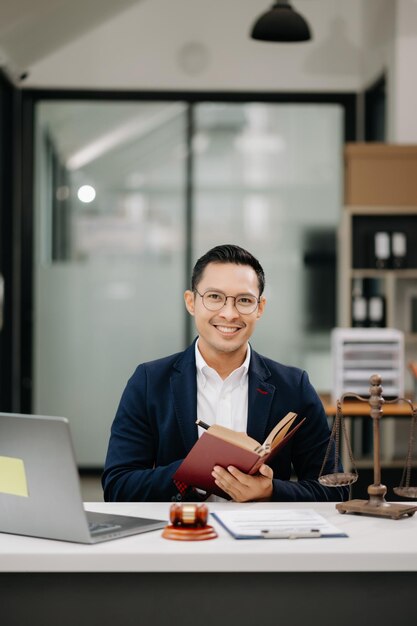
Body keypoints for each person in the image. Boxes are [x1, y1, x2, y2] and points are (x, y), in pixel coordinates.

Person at [102, 244, 347, 503]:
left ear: (260, 307)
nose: (229, 314)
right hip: (183, 535)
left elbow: (336, 488)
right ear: (191, 302)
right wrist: (191, 473)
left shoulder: (294, 386)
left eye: (244, 300)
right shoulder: (149, 381)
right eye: (215, 297)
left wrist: (271, 491)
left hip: (263, 537)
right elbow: (118, 486)